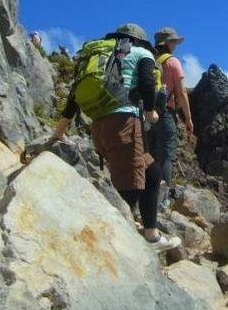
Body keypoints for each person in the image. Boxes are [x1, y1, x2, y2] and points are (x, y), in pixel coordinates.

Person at [51, 23, 180, 253]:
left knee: (152, 174)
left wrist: (59, 131)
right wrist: (151, 112)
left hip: (100, 128)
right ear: (139, 40)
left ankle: (151, 235)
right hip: (124, 126)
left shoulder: (102, 54)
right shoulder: (141, 53)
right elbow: (148, 80)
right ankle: (109, 248)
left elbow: (74, 94)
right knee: (128, 190)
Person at [151, 27, 194, 205]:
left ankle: (147, 194)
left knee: (151, 154)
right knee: (166, 155)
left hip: (147, 112)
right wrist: (188, 119)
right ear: (167, 43)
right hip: (166, 113)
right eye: (174, 42)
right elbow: (181, 92)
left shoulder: (151, 61)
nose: (176, 45)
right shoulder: (172, 62)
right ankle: (161, 200)